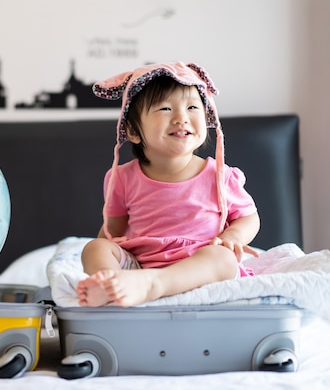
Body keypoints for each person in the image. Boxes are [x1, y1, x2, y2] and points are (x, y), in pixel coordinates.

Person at [76, 62, 260, 307]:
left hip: (198, 262)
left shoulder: (219, 176)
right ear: (132, 131)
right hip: (140, 265)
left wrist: (233, 236)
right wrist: (107, 259)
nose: (181, 118)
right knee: (94, 247)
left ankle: (154, 285)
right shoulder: (121, 178)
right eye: (165, 108)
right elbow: (112, 232)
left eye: (193, 107)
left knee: (223, 259)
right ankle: (111, 284)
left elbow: (249, 217)